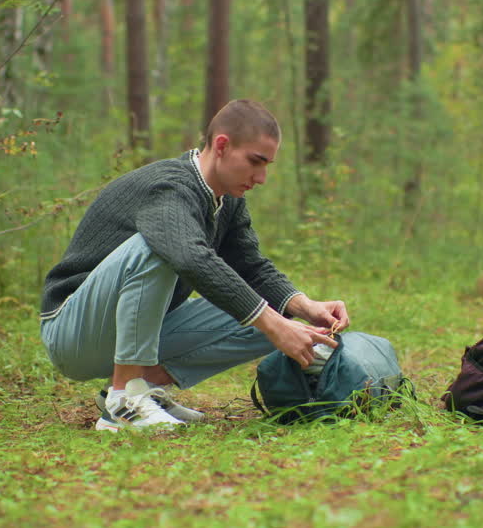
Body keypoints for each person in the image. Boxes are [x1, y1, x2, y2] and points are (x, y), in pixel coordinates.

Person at [39, 99, 349, 430]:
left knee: (278, 312)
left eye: (267, 165)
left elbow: (252, 267)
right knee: (158, 246)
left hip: (137, 328)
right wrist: (272, 324)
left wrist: (303, 306)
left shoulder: (227, 199)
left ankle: (143, 389)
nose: (261, 178)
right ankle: (125, 396)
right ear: (222, 145)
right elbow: (188, 256)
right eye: (255, 162)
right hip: (73, 329)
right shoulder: (169, 186)